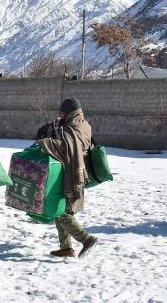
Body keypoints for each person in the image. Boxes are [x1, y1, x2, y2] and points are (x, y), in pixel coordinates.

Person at [37, 98, 99, 258]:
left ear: (69, 113)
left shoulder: (74, 128)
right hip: (74, 171)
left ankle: (87, 239)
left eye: (62, 113)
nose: (60, 115)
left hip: (72, 174)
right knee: (63, 208)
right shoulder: (83, 124)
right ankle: (66, 247)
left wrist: (47, 143)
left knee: (60, 212)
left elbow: (66, 148)